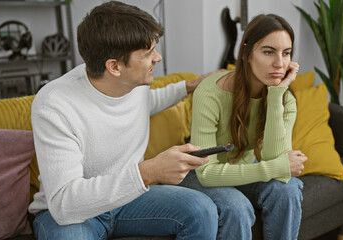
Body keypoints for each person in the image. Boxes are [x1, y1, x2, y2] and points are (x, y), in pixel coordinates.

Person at [28, 1, 219, 239]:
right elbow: (65, 204)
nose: (157, 58)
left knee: (201, 210)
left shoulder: (132, 83)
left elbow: (146, 103)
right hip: (75, 212)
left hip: (129, 198)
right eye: (148, 53)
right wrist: (148, 172)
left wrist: (189, 86)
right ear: (114, 67)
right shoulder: (54, 104)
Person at [179, 14, 308, 239]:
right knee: (236, 207)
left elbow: (276, 162)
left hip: (245, 167)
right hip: (199, 172)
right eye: (268, 52)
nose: (279, 63)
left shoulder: (286, 99)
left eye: (286, 53)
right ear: (247, 53)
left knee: (287, 190)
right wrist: (275, 167)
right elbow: (207, 173)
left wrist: (277, 94)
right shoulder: (209, 93)